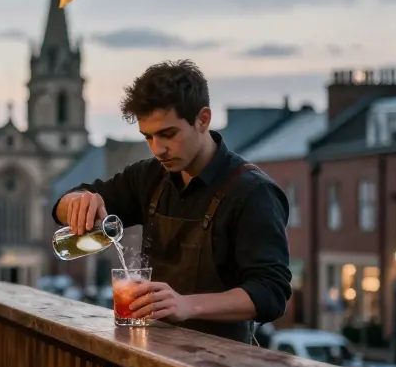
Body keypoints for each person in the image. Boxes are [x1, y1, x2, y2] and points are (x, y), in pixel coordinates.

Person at [53, 60, 292, 343]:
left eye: (168, 134)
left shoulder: (253, 192)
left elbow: (271, 293)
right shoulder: (149, 177)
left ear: (203, 119)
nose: (158, 149)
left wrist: (187, 305)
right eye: (148, 137)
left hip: (223, 362)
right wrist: (78, 202)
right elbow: (60, 206)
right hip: (155, 353)